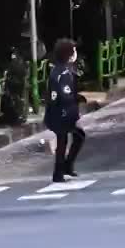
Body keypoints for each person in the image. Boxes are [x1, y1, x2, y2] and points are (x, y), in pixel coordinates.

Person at [44, 39, 86, 182]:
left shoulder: (66, 71)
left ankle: (65, 167)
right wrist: (74, 100)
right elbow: (61, 95)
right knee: (63, 142)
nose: (75, 54)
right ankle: (59, 172)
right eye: (73, 51)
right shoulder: (60, 73)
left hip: (65, 113)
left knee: (76, 137)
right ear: (68, 54)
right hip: (60, 113)